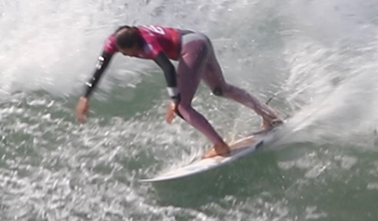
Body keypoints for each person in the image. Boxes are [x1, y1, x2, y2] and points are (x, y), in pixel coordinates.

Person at [75, 25, 281, 157]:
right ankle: (269, 116)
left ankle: (220, 146)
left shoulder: (147, 44)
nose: (125, 55)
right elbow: (101, 67)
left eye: (127, 52)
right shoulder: (113, 41)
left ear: (134, 45)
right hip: (199, 39)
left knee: (182, 107)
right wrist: (86, 96)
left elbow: (167, 67)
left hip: (191, 48)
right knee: (221, 89)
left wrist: (174, 99)